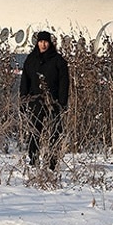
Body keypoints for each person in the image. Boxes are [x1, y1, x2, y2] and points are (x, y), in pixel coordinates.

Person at [19, 31, 70, 170]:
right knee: (35, 131)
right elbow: (25, 81)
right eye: (41, 41)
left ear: (50, 43)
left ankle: (52, 162)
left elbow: (64, 83)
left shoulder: (58, 60)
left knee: (55, 132)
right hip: (35, 101)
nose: (43, 44)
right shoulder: (31, 59)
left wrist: (62, 103)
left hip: (53, 102)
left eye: (46, 41)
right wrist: (23, 100)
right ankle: (33, 160)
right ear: (37, 43)